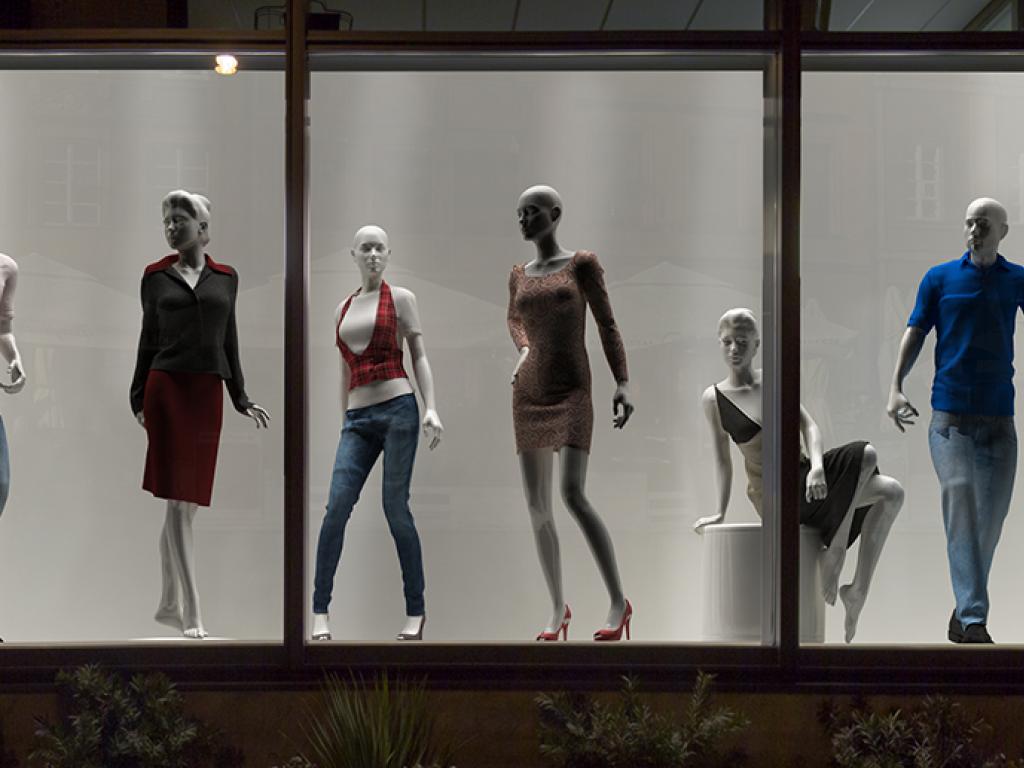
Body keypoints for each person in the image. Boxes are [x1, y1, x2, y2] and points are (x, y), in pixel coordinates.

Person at [696, 308, 903, 643]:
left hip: (806, 478)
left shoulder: (774, 380)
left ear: (757, 345)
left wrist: (819, 467)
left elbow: (809, 426)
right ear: (719, 344)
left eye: (743, 342)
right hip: (775, 495)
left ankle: (857, 590)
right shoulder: (714, 399)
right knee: (868, 457)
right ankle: (835, 553)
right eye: (728, 342)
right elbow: (722, 460)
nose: (734, 349)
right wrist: (719, 511)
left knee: (893, 491)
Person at [131, 189, 270, 639]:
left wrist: (241, 396)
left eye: (180, 220)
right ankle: (191, 608)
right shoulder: (154, 277)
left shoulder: (226, 278)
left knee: (187, 505)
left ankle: (168, 598)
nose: (172, 227)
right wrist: (137, 396)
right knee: (175, 497)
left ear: (203, 228)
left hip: (207, 392)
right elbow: (147, 338)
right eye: (167, 221)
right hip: (165, 388)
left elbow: (229, 339)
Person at [887, 197, 1022, 644]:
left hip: (1001, 421)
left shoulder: (1017, 279)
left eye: (983, 223)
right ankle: (973, 619)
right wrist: (896, 386)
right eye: (967, 223)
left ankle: (961, 612)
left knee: (992, 521)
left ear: (1003, 230)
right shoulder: (940, 278)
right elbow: (916, 331)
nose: (973, 230)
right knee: (960, 496)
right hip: (951, 420)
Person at [507, 184, 635, 642]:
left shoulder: (581, 264)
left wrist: (622, 380)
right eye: (520, 213)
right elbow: (515, 320)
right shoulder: (519, 273)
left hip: (572, 391)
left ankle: (619, 601)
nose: (524, 219)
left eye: (533, 211)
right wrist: (523, 350)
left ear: (555, 214)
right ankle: (556, 608)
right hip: (529, 394)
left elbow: (606, 322)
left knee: (572, 494)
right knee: (537, 506)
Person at [311, 225, 443, 642]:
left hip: (399, 409)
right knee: (335, 508)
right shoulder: (342, 309)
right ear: (353, 254)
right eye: (365, 248)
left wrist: (432, 408)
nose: (372, 255)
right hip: (358, 418)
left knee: (395, 507)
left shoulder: (401, 299)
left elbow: (419, 355)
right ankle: (320, 609)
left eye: (379, 248)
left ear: (388, 254)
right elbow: (344, 371)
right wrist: (343, 419)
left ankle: (415, 611)